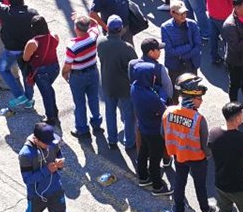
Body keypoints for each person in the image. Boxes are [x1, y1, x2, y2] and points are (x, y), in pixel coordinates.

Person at [18, 122, 86, 212]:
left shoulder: (51, 142)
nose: (49, 145)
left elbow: (58, 153)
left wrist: (60, 162)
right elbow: (27, 179)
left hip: (56, 191)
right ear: (36, 139)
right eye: (46, 143)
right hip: (37, 196)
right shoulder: (25, 154)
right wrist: (47, 170)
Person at [162, 73, 214, 212]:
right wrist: (208, 155)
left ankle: (178, 210)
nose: (201, 101)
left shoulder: (168, 112)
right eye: (199, 98)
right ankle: (205, 210)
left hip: (179, 156)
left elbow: (163, 133)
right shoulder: (199, 119)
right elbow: (205, 145)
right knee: (200, 186)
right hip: (198, 158)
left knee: (179, 182)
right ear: (191, 99)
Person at [130, 47, 171, 195]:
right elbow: (163, 108)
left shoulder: (135, 87)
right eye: (152, 75)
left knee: (143, 153)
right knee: (155, 158)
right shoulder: (150, 96)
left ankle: (143, 177)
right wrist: (162, 93)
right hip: (154, 130)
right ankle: (157, 186)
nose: (154, 77)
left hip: (143, 126)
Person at [97, 15, 137, 152]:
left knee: (110, 112)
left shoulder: (101, 42)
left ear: (107, 28)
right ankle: (129, 142)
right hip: (124, 86)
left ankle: (112, 140)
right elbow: (134, 66)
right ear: (121, 30)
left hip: (108, 84)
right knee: (128, 114)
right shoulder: (127, 48)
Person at [62, 14, 103, 141]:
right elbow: (95, 23)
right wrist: (83, 16)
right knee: (93, 98)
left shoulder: (72, 46)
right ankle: (96, 124)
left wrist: (64, 74)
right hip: (93, 72)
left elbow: (67, 65)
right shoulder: (93, 36)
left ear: (76, 29)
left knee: (79, 103)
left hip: (78, 76)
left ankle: (82, 129)